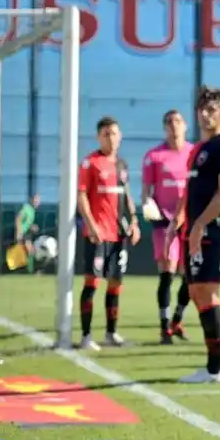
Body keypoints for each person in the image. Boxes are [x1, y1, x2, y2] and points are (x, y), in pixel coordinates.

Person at [166, 86, 220, 384]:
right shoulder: (197, 150)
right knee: (197, 293)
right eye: (202, 109)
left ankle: (214, 368)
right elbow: (190, 191)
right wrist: (179, 221)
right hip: (193, 228)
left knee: (207, 293)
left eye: (212, 110)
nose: (206, 115)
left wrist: (199, 226)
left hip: (212, 230)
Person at [77, 117, 141, 350]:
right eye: (106, 134)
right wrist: (91, 224)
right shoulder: (90, 163)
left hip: (118, 234)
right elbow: (82, 195)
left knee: (115, 283)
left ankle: (111, 333)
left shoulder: (121, 165)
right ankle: (85, 336)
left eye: (114, 133)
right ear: (98, 137)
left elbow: (127, 196)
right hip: (97, 233)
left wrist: (134, 222)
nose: (110, 138)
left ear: (120, 136)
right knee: (92, 282)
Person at [142, 110, 193, 344]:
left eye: (178, 121)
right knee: (167, 272)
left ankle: (177, 320)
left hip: (191, 222)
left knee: (191, 276)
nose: (174, 126)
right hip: (165, 222)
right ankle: (164, 328)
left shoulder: (194, 153)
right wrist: (150, 210)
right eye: (170, 122)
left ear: (185, 125)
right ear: (164, 127)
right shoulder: (154, 156)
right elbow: (146, 193)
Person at [14, 194, 40, 273]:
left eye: (38, 201)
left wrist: (32, 226)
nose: (37, 202)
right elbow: (18, 218)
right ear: (31, 200)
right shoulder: (26, 208)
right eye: (35, 200)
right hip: (23, 233)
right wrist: (19, 232)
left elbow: (27, 222)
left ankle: (29, 271)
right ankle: (30, 271)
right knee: (30, 251)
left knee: (30, 251)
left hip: (27, 233)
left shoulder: (32, 210)